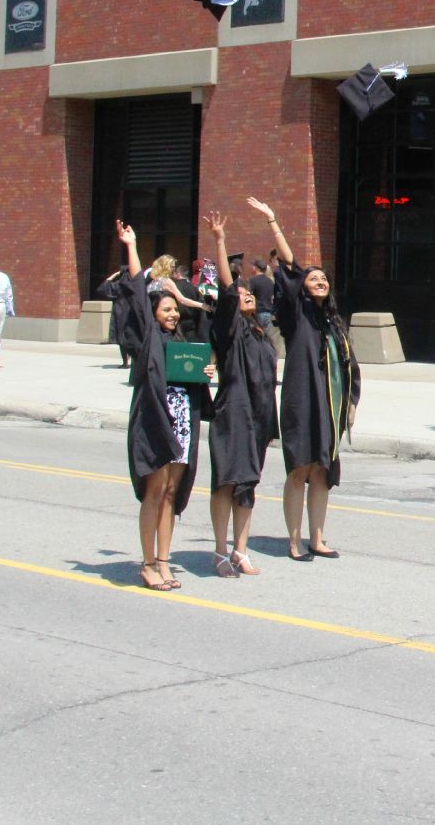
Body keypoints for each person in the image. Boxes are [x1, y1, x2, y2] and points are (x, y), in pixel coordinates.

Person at [248, 196, 360, 561]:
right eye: (313, 279)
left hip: (329, 407)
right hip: (301, 401)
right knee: (300, 469)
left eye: (324, 278)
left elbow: (351, 367)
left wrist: (353, 403)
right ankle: (294, 541)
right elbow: (293, 267)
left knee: (323, 472)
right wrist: (273, 221)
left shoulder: (335, 324)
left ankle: (318, 538)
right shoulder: (297, 316)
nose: (319, 281)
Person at [117, 220, 216, 592]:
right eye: (166, 309)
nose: (173, 314)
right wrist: (131, 245)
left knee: (172, 494)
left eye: (175, 310)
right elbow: (138, 294)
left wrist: (206, 371)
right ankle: (147, 563)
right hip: (156, 421)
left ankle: (164, 560)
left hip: (183, 422)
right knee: (154, 491)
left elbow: (195, 379)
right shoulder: (148, 340)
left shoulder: (182, 343)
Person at [203, 213, 278, 578]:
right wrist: (220, 240)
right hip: (232, 414)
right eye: (242, 293)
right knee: (226, 482)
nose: (246, 295)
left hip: (258, 419)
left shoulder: (262, 336)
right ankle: (218, 551)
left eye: (250, 293)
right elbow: (228, 287)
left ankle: (240, 551)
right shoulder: (230, 329)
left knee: (248, 485)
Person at [94, 267, 135, 368]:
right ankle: (134, 361)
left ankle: (125, 362)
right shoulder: (136, 284)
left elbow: (102, 288)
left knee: (122, 339)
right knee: (133, 338)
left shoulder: (119, 285)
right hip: (133, 314)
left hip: (121, 314)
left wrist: (113, 276)